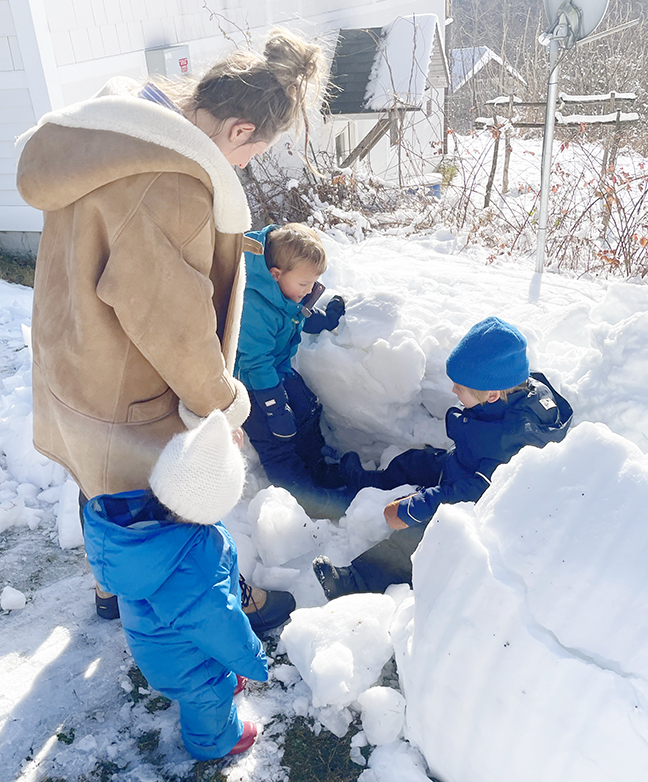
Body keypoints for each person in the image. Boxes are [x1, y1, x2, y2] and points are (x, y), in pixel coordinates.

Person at [15, 29, 325, 622]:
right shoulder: (170, 182)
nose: (243, 165)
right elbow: (173, 323)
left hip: (79, 355)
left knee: (101, 488)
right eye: (251, 154)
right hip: (127, 381)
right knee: (161, 504)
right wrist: (221, 403)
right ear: (239, 131)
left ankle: (111, 586)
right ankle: (207, 606)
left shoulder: (112, 135)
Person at [313, 316, 573, 598]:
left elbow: (472, 493)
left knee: (416, 538)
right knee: (414, 462)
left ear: (492, 395)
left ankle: (355, 582)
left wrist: (414, 508)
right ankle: (362, 482)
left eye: (460, 388)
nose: (453, 391)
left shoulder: (513, 442)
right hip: (463, 463)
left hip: (474, 501)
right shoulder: (517, 389)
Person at [83, 406, 268, 760]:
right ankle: (214, 741)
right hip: (183, 659)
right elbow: (219, 623)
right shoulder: (195, 563)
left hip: (160, 641)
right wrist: (252, 658)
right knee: (209, 695)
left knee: (211, 674)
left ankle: (220, 683)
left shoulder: (150, 525)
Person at [235, 223, 350, 519]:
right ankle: (302, 495)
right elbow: (255, 362)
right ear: (276, 274)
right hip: (251, 385)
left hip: (278, 368)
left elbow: (294, 315)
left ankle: (317, 468)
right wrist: (274, 408)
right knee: (278, 441)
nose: (310, 290)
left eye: (314, 284)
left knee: (308, 411)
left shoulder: (284, 288)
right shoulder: (253, 304)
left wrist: (324, 319)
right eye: (304, 285)